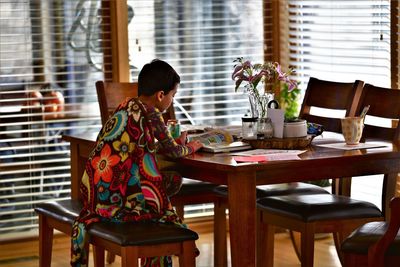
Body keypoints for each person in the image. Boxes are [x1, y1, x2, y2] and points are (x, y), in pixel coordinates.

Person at [71, 59, 203, 267]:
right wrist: (194, 145)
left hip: (98, 196)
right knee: (172, 180)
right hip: (121, 202)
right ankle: (160, 241)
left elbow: (138, 150)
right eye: (173, 96)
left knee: (162, 180)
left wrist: (170, 143)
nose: (171, 101)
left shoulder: (125, 107)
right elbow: (176, 152)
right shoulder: (151, 113)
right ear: (161, 95)